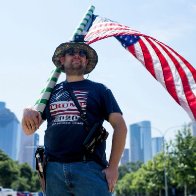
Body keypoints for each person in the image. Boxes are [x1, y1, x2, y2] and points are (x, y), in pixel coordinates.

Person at [22, 35, 127, 196]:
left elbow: (120, 126)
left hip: (90, 169)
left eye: (82, 53)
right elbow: (28, 130)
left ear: (86, 62)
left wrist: (113, 167)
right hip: (53, 171)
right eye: (71, 52)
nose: (77, 55)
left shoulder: (100, 90)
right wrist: (26, 111)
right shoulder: (50, 93)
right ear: (62, 60)